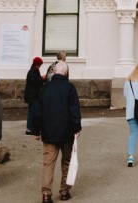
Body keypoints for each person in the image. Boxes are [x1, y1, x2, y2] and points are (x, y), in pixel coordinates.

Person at [31, 60, 81, 203]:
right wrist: (76, 128)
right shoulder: (70, 88)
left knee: (48, 163)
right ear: (65, 73)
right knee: (66, 162)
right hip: (67, 133)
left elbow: (38, 111)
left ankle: (46, 194)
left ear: (54, 72)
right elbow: (74, 111)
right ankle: (64, 191)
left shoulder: (45, 88)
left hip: (49, 132)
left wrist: (36, 130)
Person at [25, 57, 45, 135]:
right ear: (37, 64)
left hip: (32, 95)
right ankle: (30, 129)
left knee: (32, 112)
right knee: (33, 112)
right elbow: (36, 83)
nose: (40, 66)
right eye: (39, 65)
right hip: (33, 96)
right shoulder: (33, 72)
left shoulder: (34, 70)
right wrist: (42, 79)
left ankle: (31, 128)